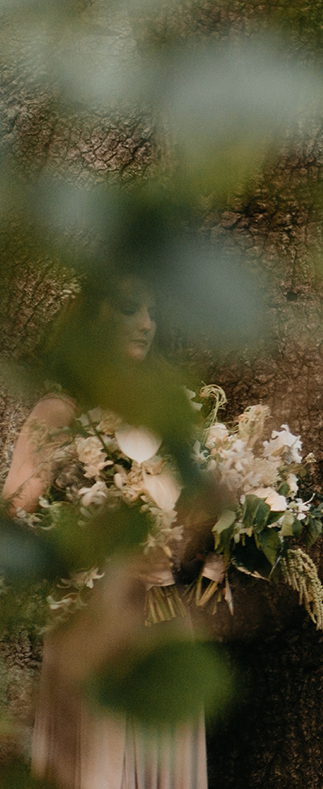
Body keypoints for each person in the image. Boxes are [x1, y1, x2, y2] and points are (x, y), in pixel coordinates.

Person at [4, 283, 210, 789]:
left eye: (152, 311)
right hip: (96, 623)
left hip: (165, 615)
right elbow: (14, 510)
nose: (145, 324)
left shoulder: (166, 407)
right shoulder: (60, 410)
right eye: (127, 309)